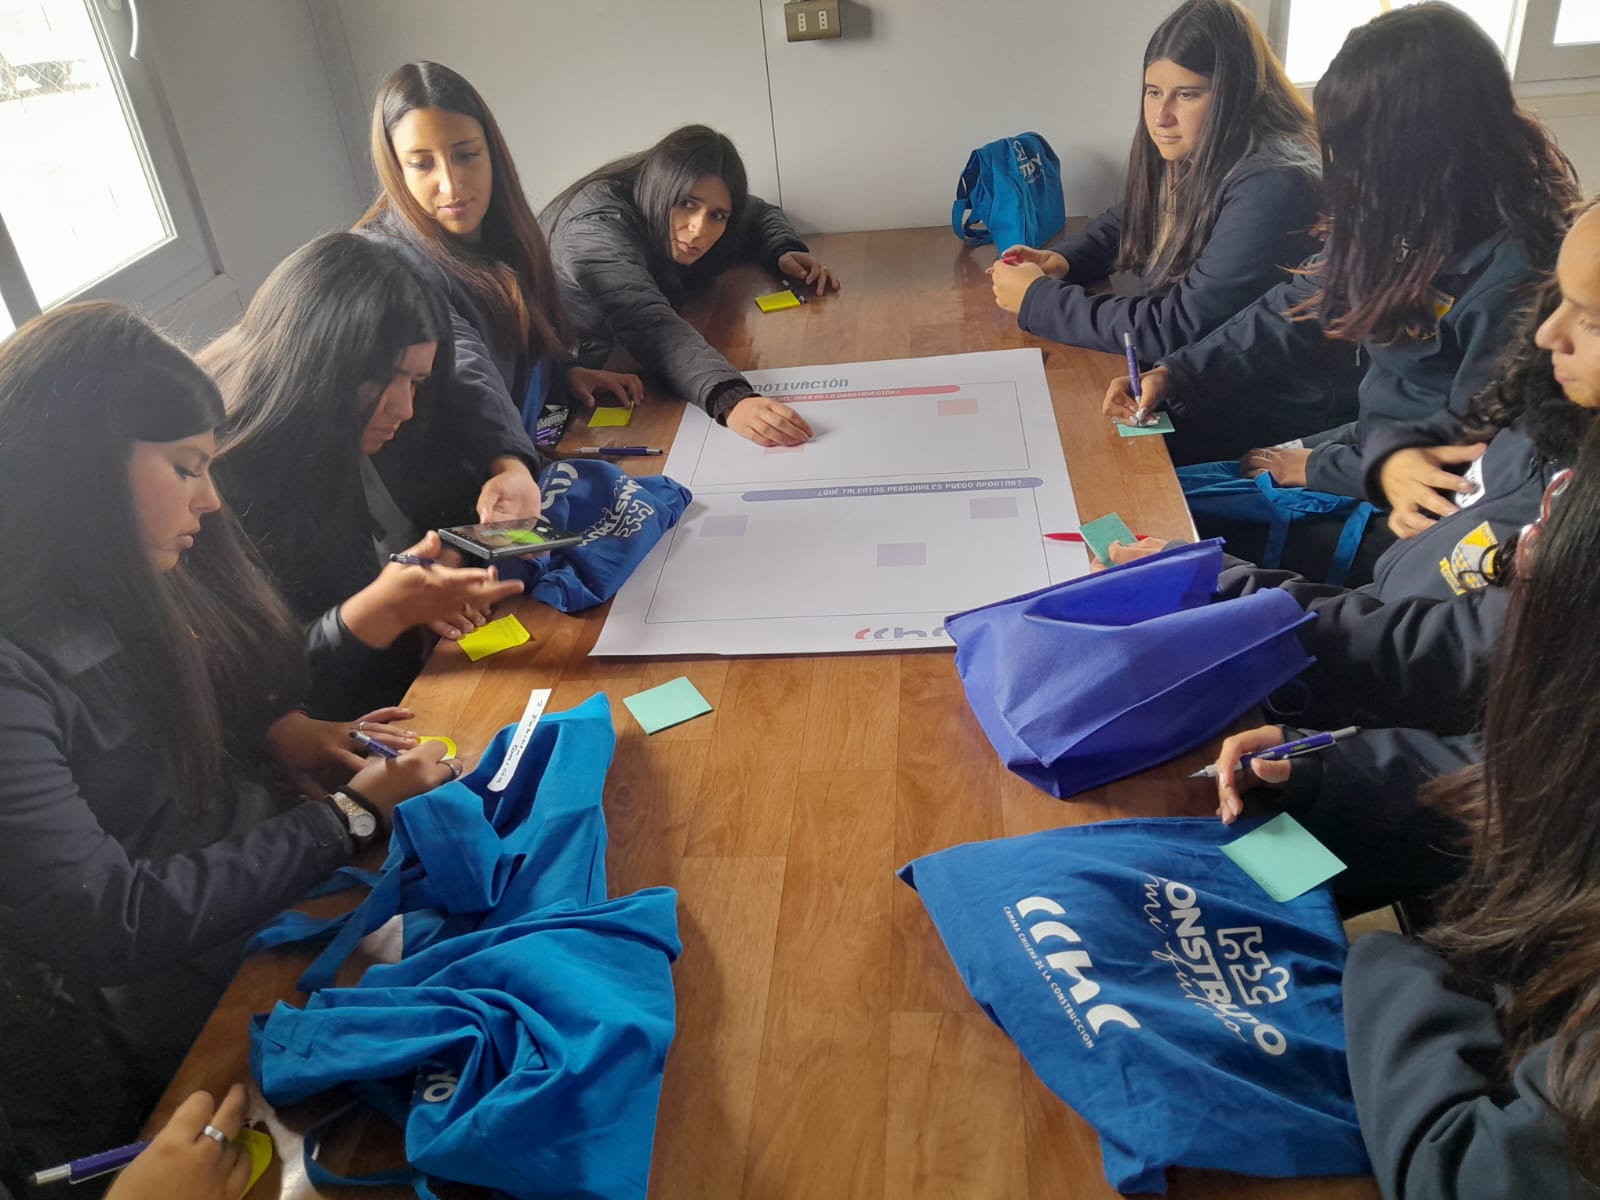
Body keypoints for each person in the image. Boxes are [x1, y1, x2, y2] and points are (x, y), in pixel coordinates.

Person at [0, 303, 457, 1181]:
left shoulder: (123, 570)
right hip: (150, 1006)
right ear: (81, 471)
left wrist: (282, 735)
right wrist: (348, 821)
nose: (209, 499)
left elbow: (200, 706)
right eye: (186, 468)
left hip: (234, 905)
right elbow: (110, 919)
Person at [1207, 424, 1600, 1198]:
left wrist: (1388, 957)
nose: (1518, 553)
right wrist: (1321, 778)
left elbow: (1463, 1171)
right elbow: (1525, 785)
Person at [1104, 197, 1600, 743]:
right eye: (1557, 300)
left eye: (1592, 321)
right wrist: (1386, 457)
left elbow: (1450, 660)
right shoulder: (1550, 410)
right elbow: (1455, 422)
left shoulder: (1576, 519)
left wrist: (1228, 587)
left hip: (1397, 685)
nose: (1546, 334)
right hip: (1384, 628)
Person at [1103, 2, 1579, 494]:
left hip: (1411, 492)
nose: (1344, 169)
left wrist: (1319, 467)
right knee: (1152, 476)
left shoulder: (1515, 273)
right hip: (1363, 445)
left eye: (1358, 148)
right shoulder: (1401, 212)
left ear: (1424, 147)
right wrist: (1179, 375)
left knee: (1162, 504)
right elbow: (1295, 306)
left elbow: (1470, 445)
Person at [205, 234, 525, 717]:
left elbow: (442, 514)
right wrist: (381, 613)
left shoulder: (393, 411)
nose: (404, 408)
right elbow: (249, 691)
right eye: (380, 378)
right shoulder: (223, 478)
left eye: (416, 381)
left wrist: (444, 568)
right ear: (312, 362)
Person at [356, 60, 641, 510]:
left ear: (492, 153)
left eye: (466, 155)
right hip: (473, 497)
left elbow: (521, 336)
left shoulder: (500, 231)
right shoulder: (388, 261)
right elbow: (461, 363)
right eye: (421, 164)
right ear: (396, 170)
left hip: (533, 447)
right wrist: (509, 463)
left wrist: (567, 373)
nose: (451, 184)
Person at [990, 0, 1331, 374]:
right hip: (1202, 378)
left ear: (1236, 94)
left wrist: (1037, 300)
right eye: (1153, 91)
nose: (1160, 117)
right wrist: (1064, 260)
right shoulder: (1207, 146)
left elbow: (1181, 326)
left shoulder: (1272, 183)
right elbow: (1132, 218)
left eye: (1186, 94)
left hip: (1262, 393)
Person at [541, 124, 840, 447]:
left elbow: (757, 213)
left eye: (717, 216)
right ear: (662, 190)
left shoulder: (658, 190)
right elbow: (648, 323)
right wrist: (731, 399)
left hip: (620, 358)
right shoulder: (592, 232)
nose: (698, 229)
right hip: (563, 377)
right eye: (686, 204)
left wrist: (783, 249)